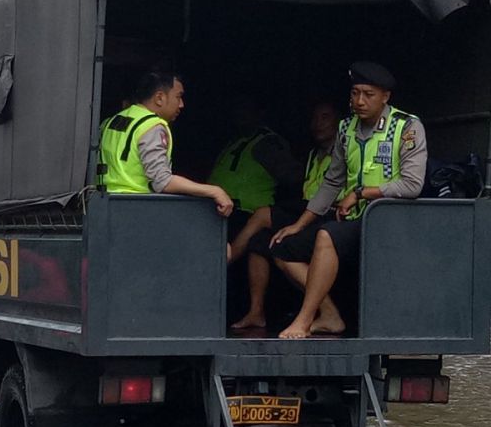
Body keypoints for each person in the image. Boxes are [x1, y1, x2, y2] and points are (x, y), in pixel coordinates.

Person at [270, 62, 427, 339]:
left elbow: (412, 185)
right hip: (354, 220)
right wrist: (299, 223)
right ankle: (329, 315)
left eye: (368, 94)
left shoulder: (406, 127)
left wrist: (361, 193)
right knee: (284, 248)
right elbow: (332, 181)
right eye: (355, 93)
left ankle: (304, 320)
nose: (359, 101)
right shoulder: (346, 128)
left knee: (327, 235)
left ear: (385, 97)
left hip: (388, 221)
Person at [231, 100, 341, 329]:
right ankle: (256, 312)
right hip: (307, 209)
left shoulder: (345, 152)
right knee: (259, 241)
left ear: (340, 122)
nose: (318, 124)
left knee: (266, 219)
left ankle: (226, 260)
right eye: (315, 119)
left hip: (328, 212)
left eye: (325, 117)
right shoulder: (314, 154)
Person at [98, 70, 233, 217]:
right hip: (137, 210)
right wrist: (214, 191)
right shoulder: (152, 126)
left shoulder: (112, 121)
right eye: (178, 96)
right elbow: (162, 181)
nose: (181, 104)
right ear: (160, 98)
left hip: (102, 205)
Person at [209, 91, 303, 255]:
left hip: (244, 214)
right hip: (218, 210)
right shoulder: (236, 141)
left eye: (246, 109)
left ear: (259, 113)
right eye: (239, 109)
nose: (240, 114)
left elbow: (293, 177)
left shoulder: (267, 142)